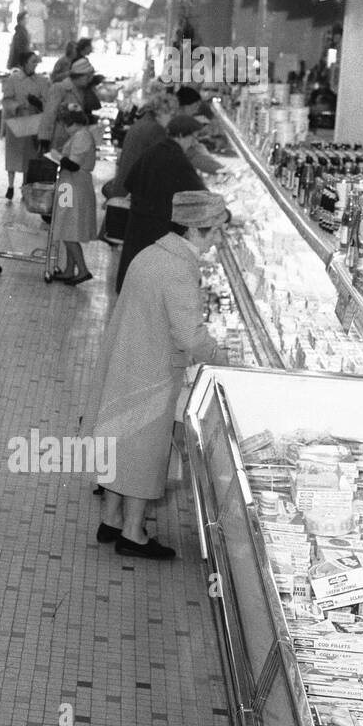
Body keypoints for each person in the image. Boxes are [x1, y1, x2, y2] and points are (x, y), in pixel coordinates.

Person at [87, 190, 229, 559]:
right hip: (152, 369)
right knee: (144, 451)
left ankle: (111, 517)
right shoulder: (180, 268)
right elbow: (189, 335)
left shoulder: (150, 254)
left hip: (127, 360)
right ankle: (133, 534)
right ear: (196, 229)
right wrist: (221, 357)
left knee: (122, 442)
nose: (217, 240)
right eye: (215, 232)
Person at [114, 114, 207, 294]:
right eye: (193, 137)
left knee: (134, 290)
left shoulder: (154, 150)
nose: (194, 143)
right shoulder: (177, 159)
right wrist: (226, 215)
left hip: (137, 231)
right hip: (157, 233)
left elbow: (130, 183)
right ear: (180, 135)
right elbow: (201, 197)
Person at [50, 104, 97, 285]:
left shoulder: (82, 136)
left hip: (74, 185)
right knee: (65, 227)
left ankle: (83, 270)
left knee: (68, 228)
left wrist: (56, 156)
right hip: (67, 185)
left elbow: (74, 164)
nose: (64, 128)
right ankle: (70, 269)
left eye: (66, 124)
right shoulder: (78, 136)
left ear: (74, 123)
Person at [102, 88, 176, 202]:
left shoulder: (142, 123)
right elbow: (160, 164)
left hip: (125, 186)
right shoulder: (155, 129)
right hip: (134, 192)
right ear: (161, 112)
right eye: (172, 114)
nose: (173, 119)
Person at [0, 49, 46, 200]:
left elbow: (47, 101)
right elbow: (6, 99)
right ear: (24, 63)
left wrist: (38, 103)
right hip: (16, 122)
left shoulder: (42, 81)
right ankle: (10, 185)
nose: (35, 65)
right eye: (32, 62)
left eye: (36, 62)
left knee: (29, 157)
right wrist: (17, 106)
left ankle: (25, 188)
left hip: (33, 122)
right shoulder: (13, 79)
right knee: (13, 155)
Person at [39, 55, 97, 150]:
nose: (89, 80)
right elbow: (49, 115)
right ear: (79, 76)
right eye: (87, 77)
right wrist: (44, 139)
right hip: (60, 137)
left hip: (76, 139)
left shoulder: (82, 90)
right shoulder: (59, 88)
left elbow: (95, 105)